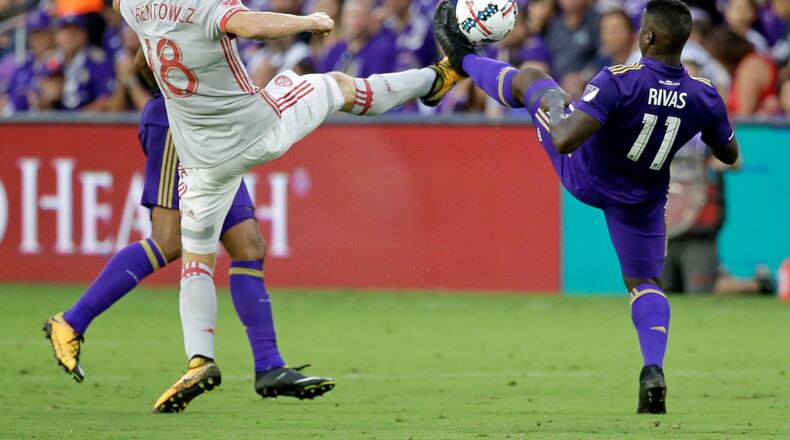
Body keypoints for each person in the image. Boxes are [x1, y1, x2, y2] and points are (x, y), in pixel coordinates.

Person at [67, 0, 459, 413]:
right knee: (341, 87)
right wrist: (310, 21)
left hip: (200, 157)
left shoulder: (133, 6)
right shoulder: (202, 7)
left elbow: (137, 39)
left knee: (197, 260)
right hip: (254, 127)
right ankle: (435, 79)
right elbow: (252, 25)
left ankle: (201, 359)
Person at [431, 0, 738, 414]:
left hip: (586, 175)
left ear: (645, 37)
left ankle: (462, 58)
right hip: (643, 197)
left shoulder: (618, 79)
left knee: (533, 82)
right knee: (644, 281)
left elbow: (565, 139)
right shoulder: (705, 95)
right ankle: (652, 367)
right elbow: (729, 151)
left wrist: (559, 106)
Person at [43, 49, 336, 412]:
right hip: (175, 123)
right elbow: (140, 61)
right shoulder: (182, 11)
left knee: (249, 245)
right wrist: (177, 95)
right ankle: (70, 322)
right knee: (168, 241)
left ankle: (269, 366)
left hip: (213, 129)